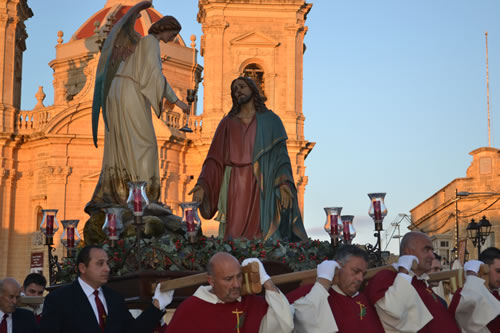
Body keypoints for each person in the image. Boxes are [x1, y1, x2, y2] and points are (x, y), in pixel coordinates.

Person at [86, 12, 190, 215]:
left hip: (118, 91)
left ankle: (126, 191)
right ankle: (145, 196)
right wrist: (177, 101)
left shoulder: (141, 42)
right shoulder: (151, 42)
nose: (172, 39)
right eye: (173, 34)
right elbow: (154, 74)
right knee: (146, 144)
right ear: (165, 28)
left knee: (127, 144)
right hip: (130, 92)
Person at [189, 76, 307, 241]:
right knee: (235, 233)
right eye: (235, 89)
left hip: (261, 181)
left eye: (242, 87)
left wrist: (284, 183)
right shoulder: (226, 123)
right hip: (235, 183)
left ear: (253, 89)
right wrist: (203, 184)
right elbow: (213, 160)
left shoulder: (271, 121)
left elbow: (281, 159)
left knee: (261, 231)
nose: (238, 91)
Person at [40, 245, 172, 333]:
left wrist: (157, 305)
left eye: (107, 263)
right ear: (82, 268)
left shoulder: (114, 298)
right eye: (100, 264)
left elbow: (132, 330)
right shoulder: (59, 300)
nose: (107, 269)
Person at [165, 252, 294, 332]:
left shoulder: (252, 303)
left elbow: (285, 324)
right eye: (228, 279)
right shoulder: (191, 309)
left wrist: (266, 280)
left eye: (239, 276)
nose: (237, 284)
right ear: (211, 280)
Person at [364, 231, 461, 332]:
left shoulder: (420, 282)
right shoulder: (386, 277)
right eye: (426, 250)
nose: (432, 256)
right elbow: (394, 312)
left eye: (432, 250)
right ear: (408, 253)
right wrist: (403, 273)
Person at [286, 245, 385, 333]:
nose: (360, 279)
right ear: (337, 267)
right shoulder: (312, 294)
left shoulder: (366, 299)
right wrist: (323, 282)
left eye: (363, 274)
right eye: (355, 271)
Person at [448, 247, 500, 332]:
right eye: (498, 271)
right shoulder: (463, 293)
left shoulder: (496, 295)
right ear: (485, 269)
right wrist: (471, 275)